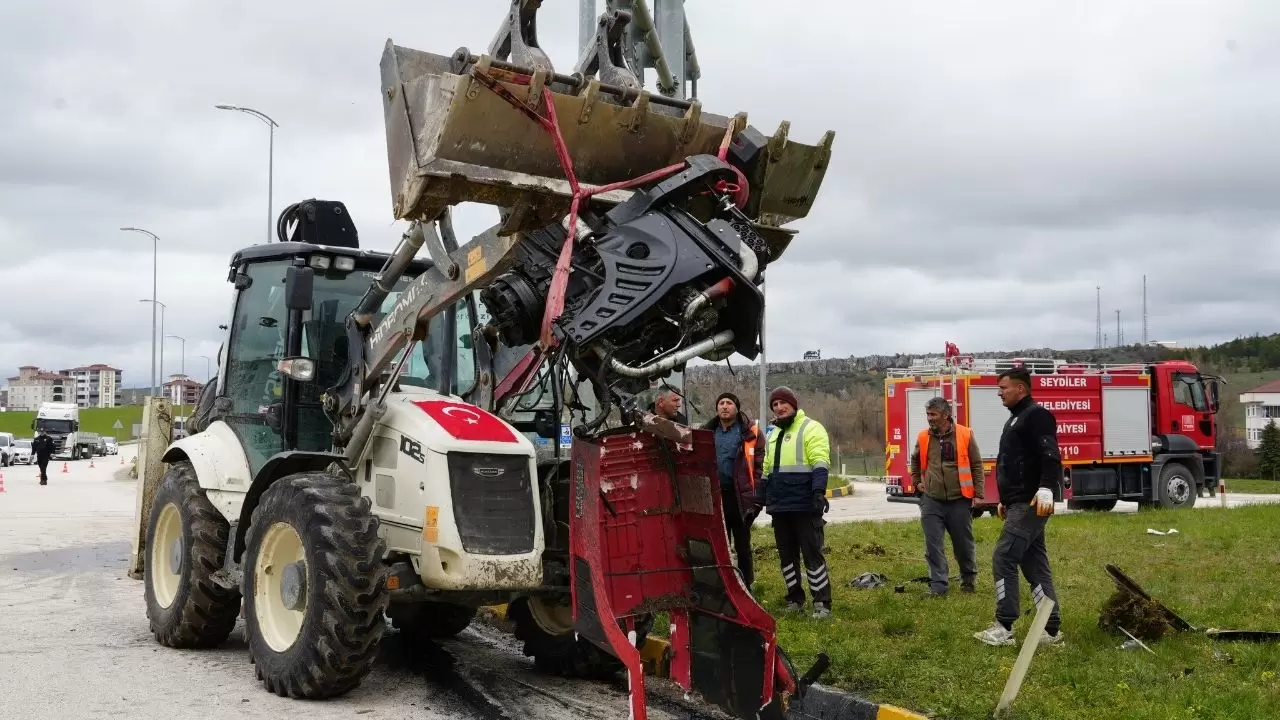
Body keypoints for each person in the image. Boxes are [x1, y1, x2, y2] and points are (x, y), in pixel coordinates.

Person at [973, 366, 1065, 647]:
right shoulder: (1015, 419)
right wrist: (1004, 499)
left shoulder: (1036, 416)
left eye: (1004, 387)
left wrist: (1047, 488)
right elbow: (1014, 463)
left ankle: (1004, 626)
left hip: (1030, 504)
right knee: (1034, 565)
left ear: (1021, 389)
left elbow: (1050, 454)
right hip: (1018, 503)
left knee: (1004, 557)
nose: (999, 392)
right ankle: (1050, 631)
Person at [755, 386, 833, 619]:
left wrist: (818, 491)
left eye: (782, 403)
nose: (779, 408)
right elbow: (767, 470)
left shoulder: (811, 428)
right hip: (780, 505)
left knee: (812, 554)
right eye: (775, 405)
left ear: (793, 404)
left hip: (804, 503)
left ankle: (822, 603)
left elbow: (820, 460)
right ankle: (794, 598)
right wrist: (758, 499)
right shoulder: (773, 433)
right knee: (787, 556)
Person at [910, 396, 985, 596]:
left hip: (959, 500)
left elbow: (977, 464)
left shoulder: (965, 434)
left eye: (933, 414)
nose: (929, 418)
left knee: (963, 544)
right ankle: (938, 585)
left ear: (945, 415)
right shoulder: (923, 437)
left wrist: (978, 493)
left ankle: (968, 579)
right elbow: (915, 461)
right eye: (927, 414)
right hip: (931, 500)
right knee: (932, 545)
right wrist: (916, 482)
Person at [701, 392, 764, 590]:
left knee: (742, 544)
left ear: (737, 408)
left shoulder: (749, 432)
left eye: (729, 403)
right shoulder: (707, 432)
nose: (725, 406)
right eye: (721, 403)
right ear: (717, 408)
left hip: (740, 498)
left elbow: (761, 465)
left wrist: (757, 498)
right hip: (716, 497)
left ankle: (747, 584)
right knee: (720, 544)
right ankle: (725, 586)